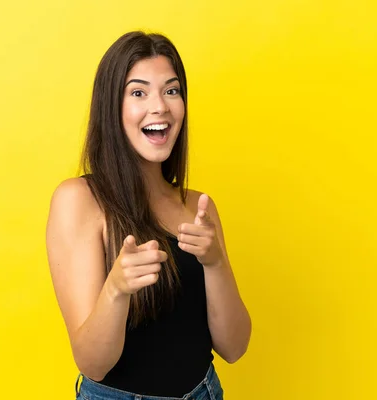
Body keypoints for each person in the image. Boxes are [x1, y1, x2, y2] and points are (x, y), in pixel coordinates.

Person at [46, 31, 252, 400]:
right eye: (138, 93)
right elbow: (92, 363)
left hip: (205, 392)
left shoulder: (199, 206)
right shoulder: (79, 200)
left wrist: (215, 262)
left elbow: (234, 348)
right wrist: (116, 288)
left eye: (171, 91)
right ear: (112, 107)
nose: (159, 106)